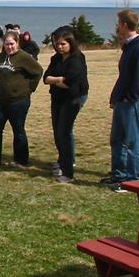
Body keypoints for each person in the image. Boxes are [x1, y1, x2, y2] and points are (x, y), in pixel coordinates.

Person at [105, 9, 139, 192]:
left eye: (118, 23)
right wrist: (115, 97)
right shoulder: (129, 45)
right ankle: (119, 175)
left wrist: (130, 97)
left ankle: (132, 180)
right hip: (122, 100)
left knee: (132, 141)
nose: (117, 27)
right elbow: (124, 76)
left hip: (132, 101)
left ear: (124, 24)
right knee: (117, 139)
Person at [0, 31, 43, 167]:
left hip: (18, 101)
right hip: (0, 100)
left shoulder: (24, 57)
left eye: (12, 44)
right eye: (6, 44)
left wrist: (29, 89)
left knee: (18, 130)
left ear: (17, 43)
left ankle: (21, 160)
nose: (9, 47)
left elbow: (38, 71)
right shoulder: (1, 57)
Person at [43, 29, 89, 183]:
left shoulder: (77, 59)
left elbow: (70, 83)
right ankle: (62, 161)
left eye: (63, 44)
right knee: (58, 131)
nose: (59, 46)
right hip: (57, 98)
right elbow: (45, 78)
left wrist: (56, 80)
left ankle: (68, 171)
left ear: (71, 43)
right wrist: (59, 80)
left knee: (64, 131)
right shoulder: (56, 58)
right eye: (57, 44)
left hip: (73, 98)